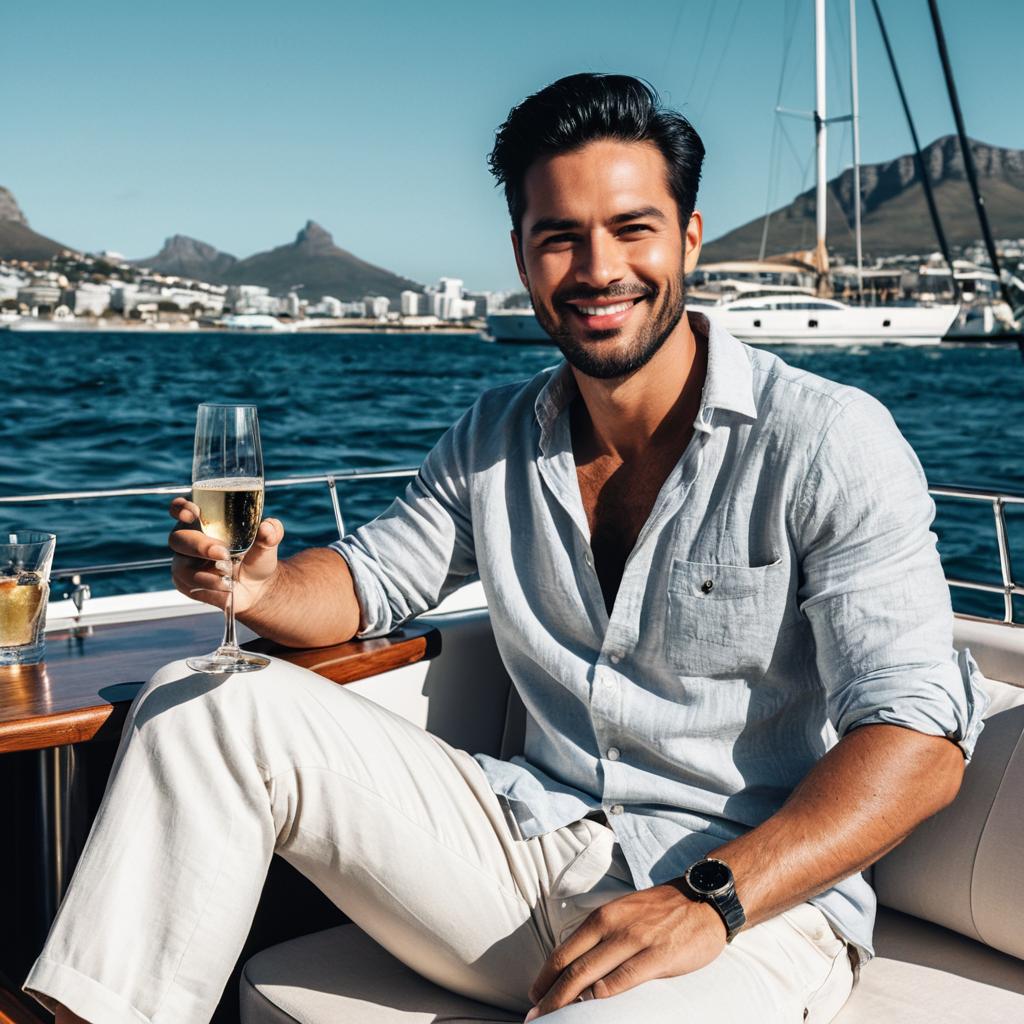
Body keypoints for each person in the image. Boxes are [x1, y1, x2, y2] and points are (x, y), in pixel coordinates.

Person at [27, 73, 986, 1024]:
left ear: (689, 240)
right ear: (524, 260)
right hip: (526, 848)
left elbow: (919, 740)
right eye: (560, 237)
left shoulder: (825, 439)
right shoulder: (494, 436)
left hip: (746, 905)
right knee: (207, 701)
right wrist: (263, 584)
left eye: (632, 228)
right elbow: (367, 581)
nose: (598, 267)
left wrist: (712, 898)